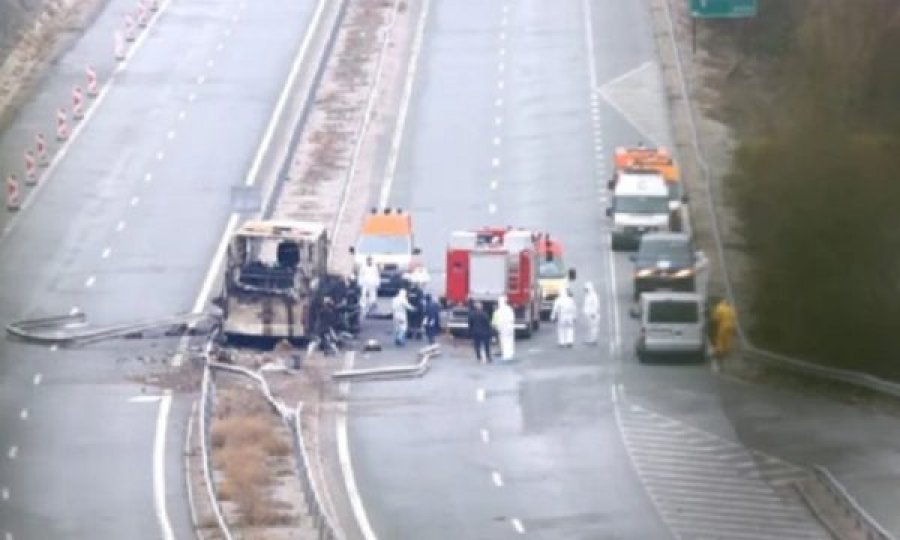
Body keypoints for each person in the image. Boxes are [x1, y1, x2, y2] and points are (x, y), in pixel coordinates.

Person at [492, 295, 516, 361]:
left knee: (504, 341)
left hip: (503, 328)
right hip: (509, 328)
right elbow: (512, 318)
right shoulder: (509, 309)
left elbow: (497, 321)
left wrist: (497, 327)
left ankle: (506, 354)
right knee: (509, 341)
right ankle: (509, 354)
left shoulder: (499, 311)